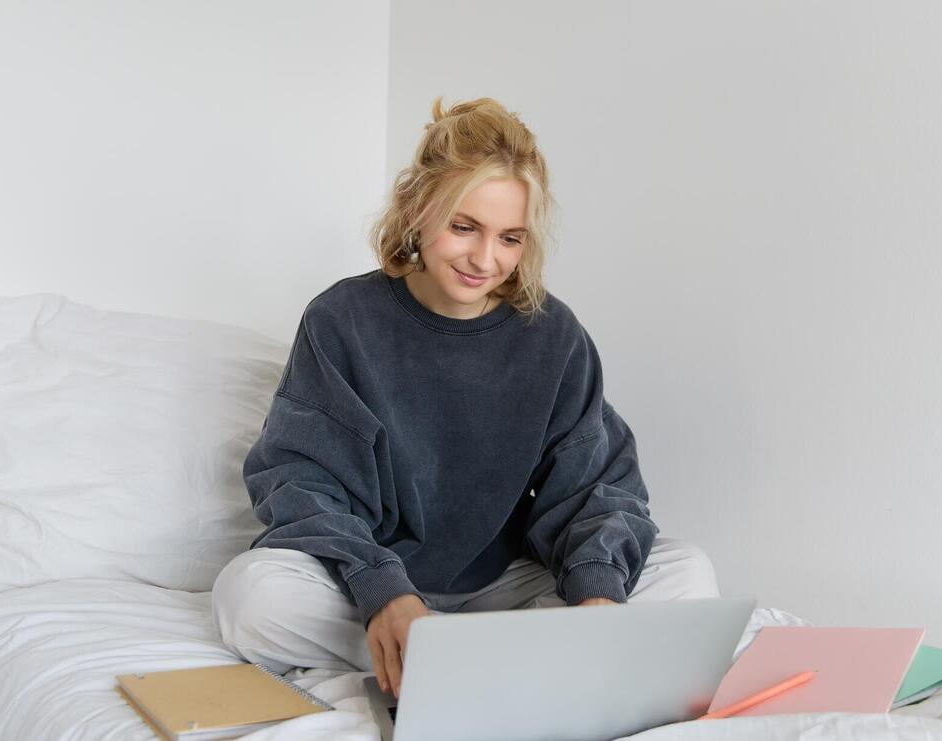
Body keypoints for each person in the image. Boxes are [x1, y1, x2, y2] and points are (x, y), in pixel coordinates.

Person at [211, 96, 719, 700]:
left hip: (503, 581)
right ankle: (479, 654)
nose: (486, 260)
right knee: (249, 598)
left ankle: (443, 656)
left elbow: (595, 489)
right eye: (464, 227)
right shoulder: (342, 320)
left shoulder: (555, 337)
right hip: (371, 578)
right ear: (417, 211)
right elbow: (300, 480)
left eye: (510, 238)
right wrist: (383, 589)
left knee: (689, 574)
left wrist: (597, 595)